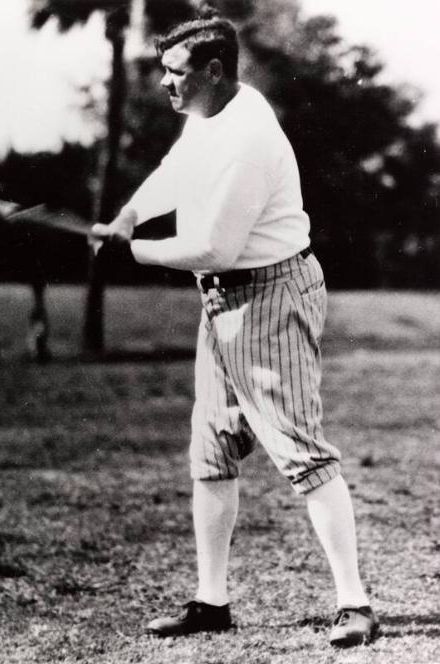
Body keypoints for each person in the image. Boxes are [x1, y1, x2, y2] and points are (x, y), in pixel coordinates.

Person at [91, 13, 379, 648]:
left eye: (176, 72)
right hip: (221, 302)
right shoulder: (207, 116)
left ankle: (355, 604)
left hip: (271, 294)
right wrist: (129, 215)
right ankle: (211, 601)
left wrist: (132, 252)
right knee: (212, 452)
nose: (165, 84)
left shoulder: (248, 135)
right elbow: (172, 172)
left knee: (302, 452)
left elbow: (215, 247)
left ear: (214, 72)